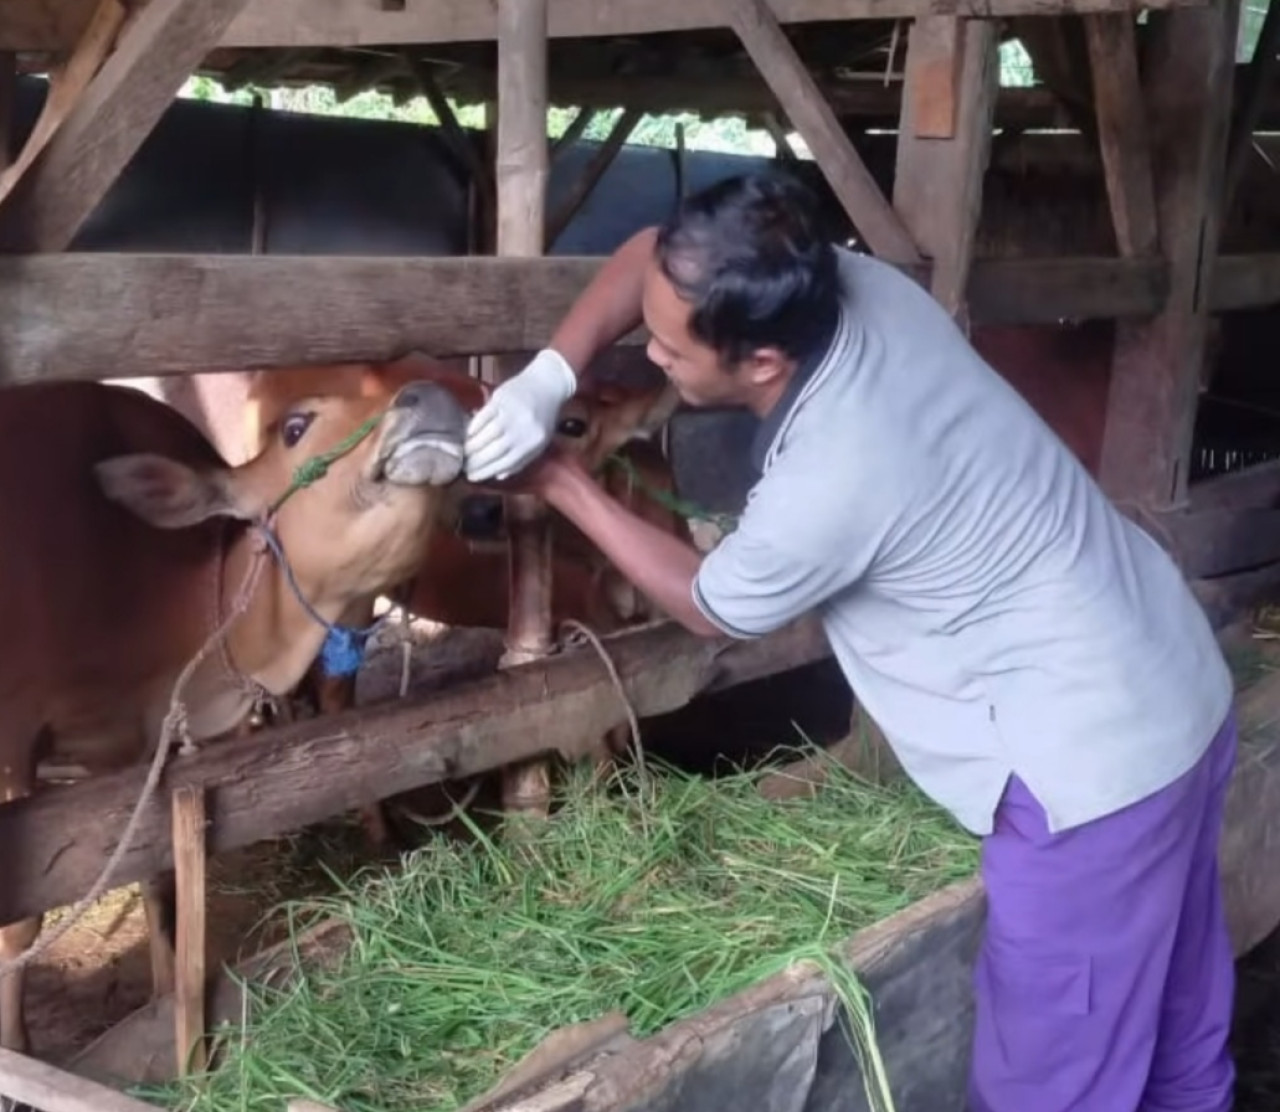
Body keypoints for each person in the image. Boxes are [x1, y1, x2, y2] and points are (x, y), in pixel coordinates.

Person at [463, 171, 1238, 1112]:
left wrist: (562, 481)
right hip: (1174, 683)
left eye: (668, 347)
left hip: (1089, 772)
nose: (651, 354)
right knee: (1177, 1040)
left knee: (1050, 1085)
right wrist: (552, 371)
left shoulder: (839, 466)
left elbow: (709, 603)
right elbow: (651, 262)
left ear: (759, 365)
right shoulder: (845, 286)